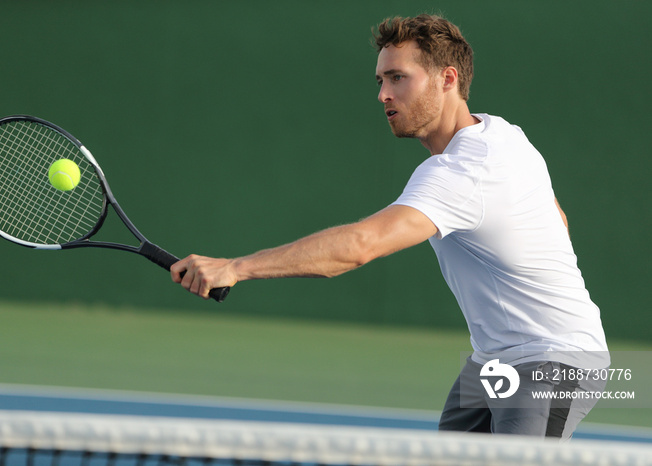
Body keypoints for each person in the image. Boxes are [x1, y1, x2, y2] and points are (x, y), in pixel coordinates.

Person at [170, 14, 609, 438]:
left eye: (398, 78)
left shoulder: (461, 171)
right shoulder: (506, 135)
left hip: (555, 360)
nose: (383, 94)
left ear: (448, 79)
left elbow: (360, 246)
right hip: (493, 359)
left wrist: (236, 268)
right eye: (381, 80)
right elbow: (558, 219)